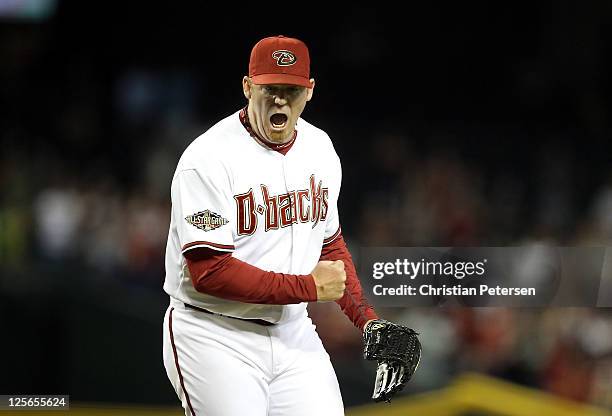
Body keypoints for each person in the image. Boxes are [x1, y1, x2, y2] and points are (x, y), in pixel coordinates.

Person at [162, 35, 379, 416]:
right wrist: (307, 287)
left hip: (292, 330)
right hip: (214, 333)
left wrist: (369, 322)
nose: (280, 99)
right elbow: (209, 272)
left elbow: (329, 245)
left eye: (291, 90)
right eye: (269, 88)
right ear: (248, 86)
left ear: (309, 91)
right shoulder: (208, 158)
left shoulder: (320, 148)